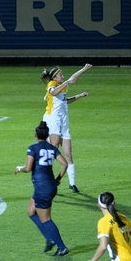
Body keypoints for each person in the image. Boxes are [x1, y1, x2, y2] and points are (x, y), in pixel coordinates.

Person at [14, 121, 69, 256]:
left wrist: (19, 168)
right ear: (47, 135)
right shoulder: (52, 148)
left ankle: (62, 247)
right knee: (31, 211)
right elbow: (64, 164)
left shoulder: (33, 148)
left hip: (42, 188)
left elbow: (28, 168)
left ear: (36, 135)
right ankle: (49, 239)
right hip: (50, 185)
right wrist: (58, 178)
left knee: (45, 219)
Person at [40, 63, 92, 193]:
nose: (63, 76)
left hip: (63, 122)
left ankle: (72, 184)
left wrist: (83, 70)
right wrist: (67, 82)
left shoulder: (62, 85)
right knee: (53, 150)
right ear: (54, 78)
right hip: (53, 119)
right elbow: (55, 92)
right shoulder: (52, 84)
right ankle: (47, 179)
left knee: (68, 153)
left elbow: (64, 100)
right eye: (60, 75)